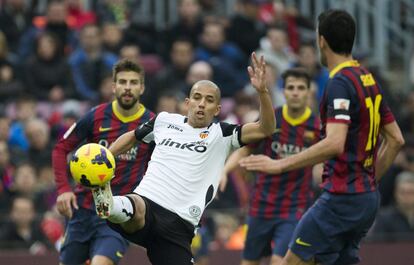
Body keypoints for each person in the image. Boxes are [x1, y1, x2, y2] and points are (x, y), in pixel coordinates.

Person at [239, 10, 405, 265]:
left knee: (290, 262)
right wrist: (368, 184)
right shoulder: (368, 77)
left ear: (322, 41)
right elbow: (395, 140)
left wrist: (279, 164)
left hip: (339, 199)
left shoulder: (339, 82)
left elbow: (335, 143)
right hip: (366, 199)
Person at [91, 52, 275, 265]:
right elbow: (132, 137)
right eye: (197, 98)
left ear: (217, 109)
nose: (201, 104)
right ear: (187, 102)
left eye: (209, 100)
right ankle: (108, 201)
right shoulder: (163, 121)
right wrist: (105, 156)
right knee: (137, 209)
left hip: (179, 226)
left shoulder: (223, 134)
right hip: (148, 202)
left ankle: (112, 204)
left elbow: (266, 128)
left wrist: (262, 91)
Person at [52, 59, 155, 265]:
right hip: (82, 210)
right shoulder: (96, 116)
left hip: (117, 212)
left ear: (141, 88)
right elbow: (61, 148)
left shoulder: (152, 124)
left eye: (133, 82)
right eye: (123, 82)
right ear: (113, 86)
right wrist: (64, 189)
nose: (128, 87)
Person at [221, 68, 321, 265]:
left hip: (294, 207)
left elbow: (324, 159)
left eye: (301, 88)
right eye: (290, 87)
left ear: (309, 92)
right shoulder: (270, 120)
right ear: (283, 91)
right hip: (261, 204)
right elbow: (244, 150)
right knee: (249, 261)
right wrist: (223, 171)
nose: (295, 92)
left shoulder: (316, 126)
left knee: (280, 260)